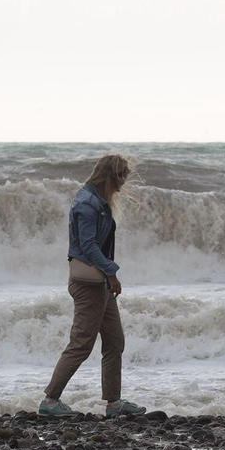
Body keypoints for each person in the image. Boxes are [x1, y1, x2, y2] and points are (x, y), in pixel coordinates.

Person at [39, 153, 146, 418]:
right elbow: (87, 246)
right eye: (121, 175)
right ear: (109, 176)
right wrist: (111, 272)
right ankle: (50, 401)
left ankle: (114, 403)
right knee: (81, 344)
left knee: (114, 341)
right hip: (90, 283)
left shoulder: (98, 201)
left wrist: (108, 275)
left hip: (100, 283)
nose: (124, 181)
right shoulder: (87, 204)